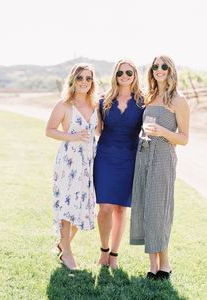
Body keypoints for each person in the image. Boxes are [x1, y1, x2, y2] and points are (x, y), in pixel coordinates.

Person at [130, 55, 190, 280]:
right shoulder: (150, 96)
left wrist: (162, 131)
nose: (159, 69)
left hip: (163, 159)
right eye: (156, 66)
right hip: (144, 156)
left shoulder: (178, 100)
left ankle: (165, 265)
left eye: (164, 66)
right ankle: (152, 265)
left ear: (171, 70)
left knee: (159, 210)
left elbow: (184, 138)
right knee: (146, 208)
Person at [46, 63, 99, 270]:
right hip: (69, 162)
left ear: (92, 82)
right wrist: (72, 136)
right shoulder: (64, 105)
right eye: (80, 78)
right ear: (73, 80)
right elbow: (49, 130)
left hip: (89, 163)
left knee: (84, 208)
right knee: (68, 208)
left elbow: (100, 131)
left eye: (88, 78)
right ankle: (66, 252)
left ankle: (62, 243)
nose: (84, 82)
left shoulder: (96, 106)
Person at [94, 59, 144, 269]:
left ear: (135, 75)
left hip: (129, 159)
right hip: (105, 156)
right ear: (115, 75)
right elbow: (97, 129)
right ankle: (103, 250)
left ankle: (114, 254)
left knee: (121, 210)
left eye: (129, 73)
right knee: (105, 207)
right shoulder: (104, 100)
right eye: (120, 72)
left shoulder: (143, 102)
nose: (124, 76)